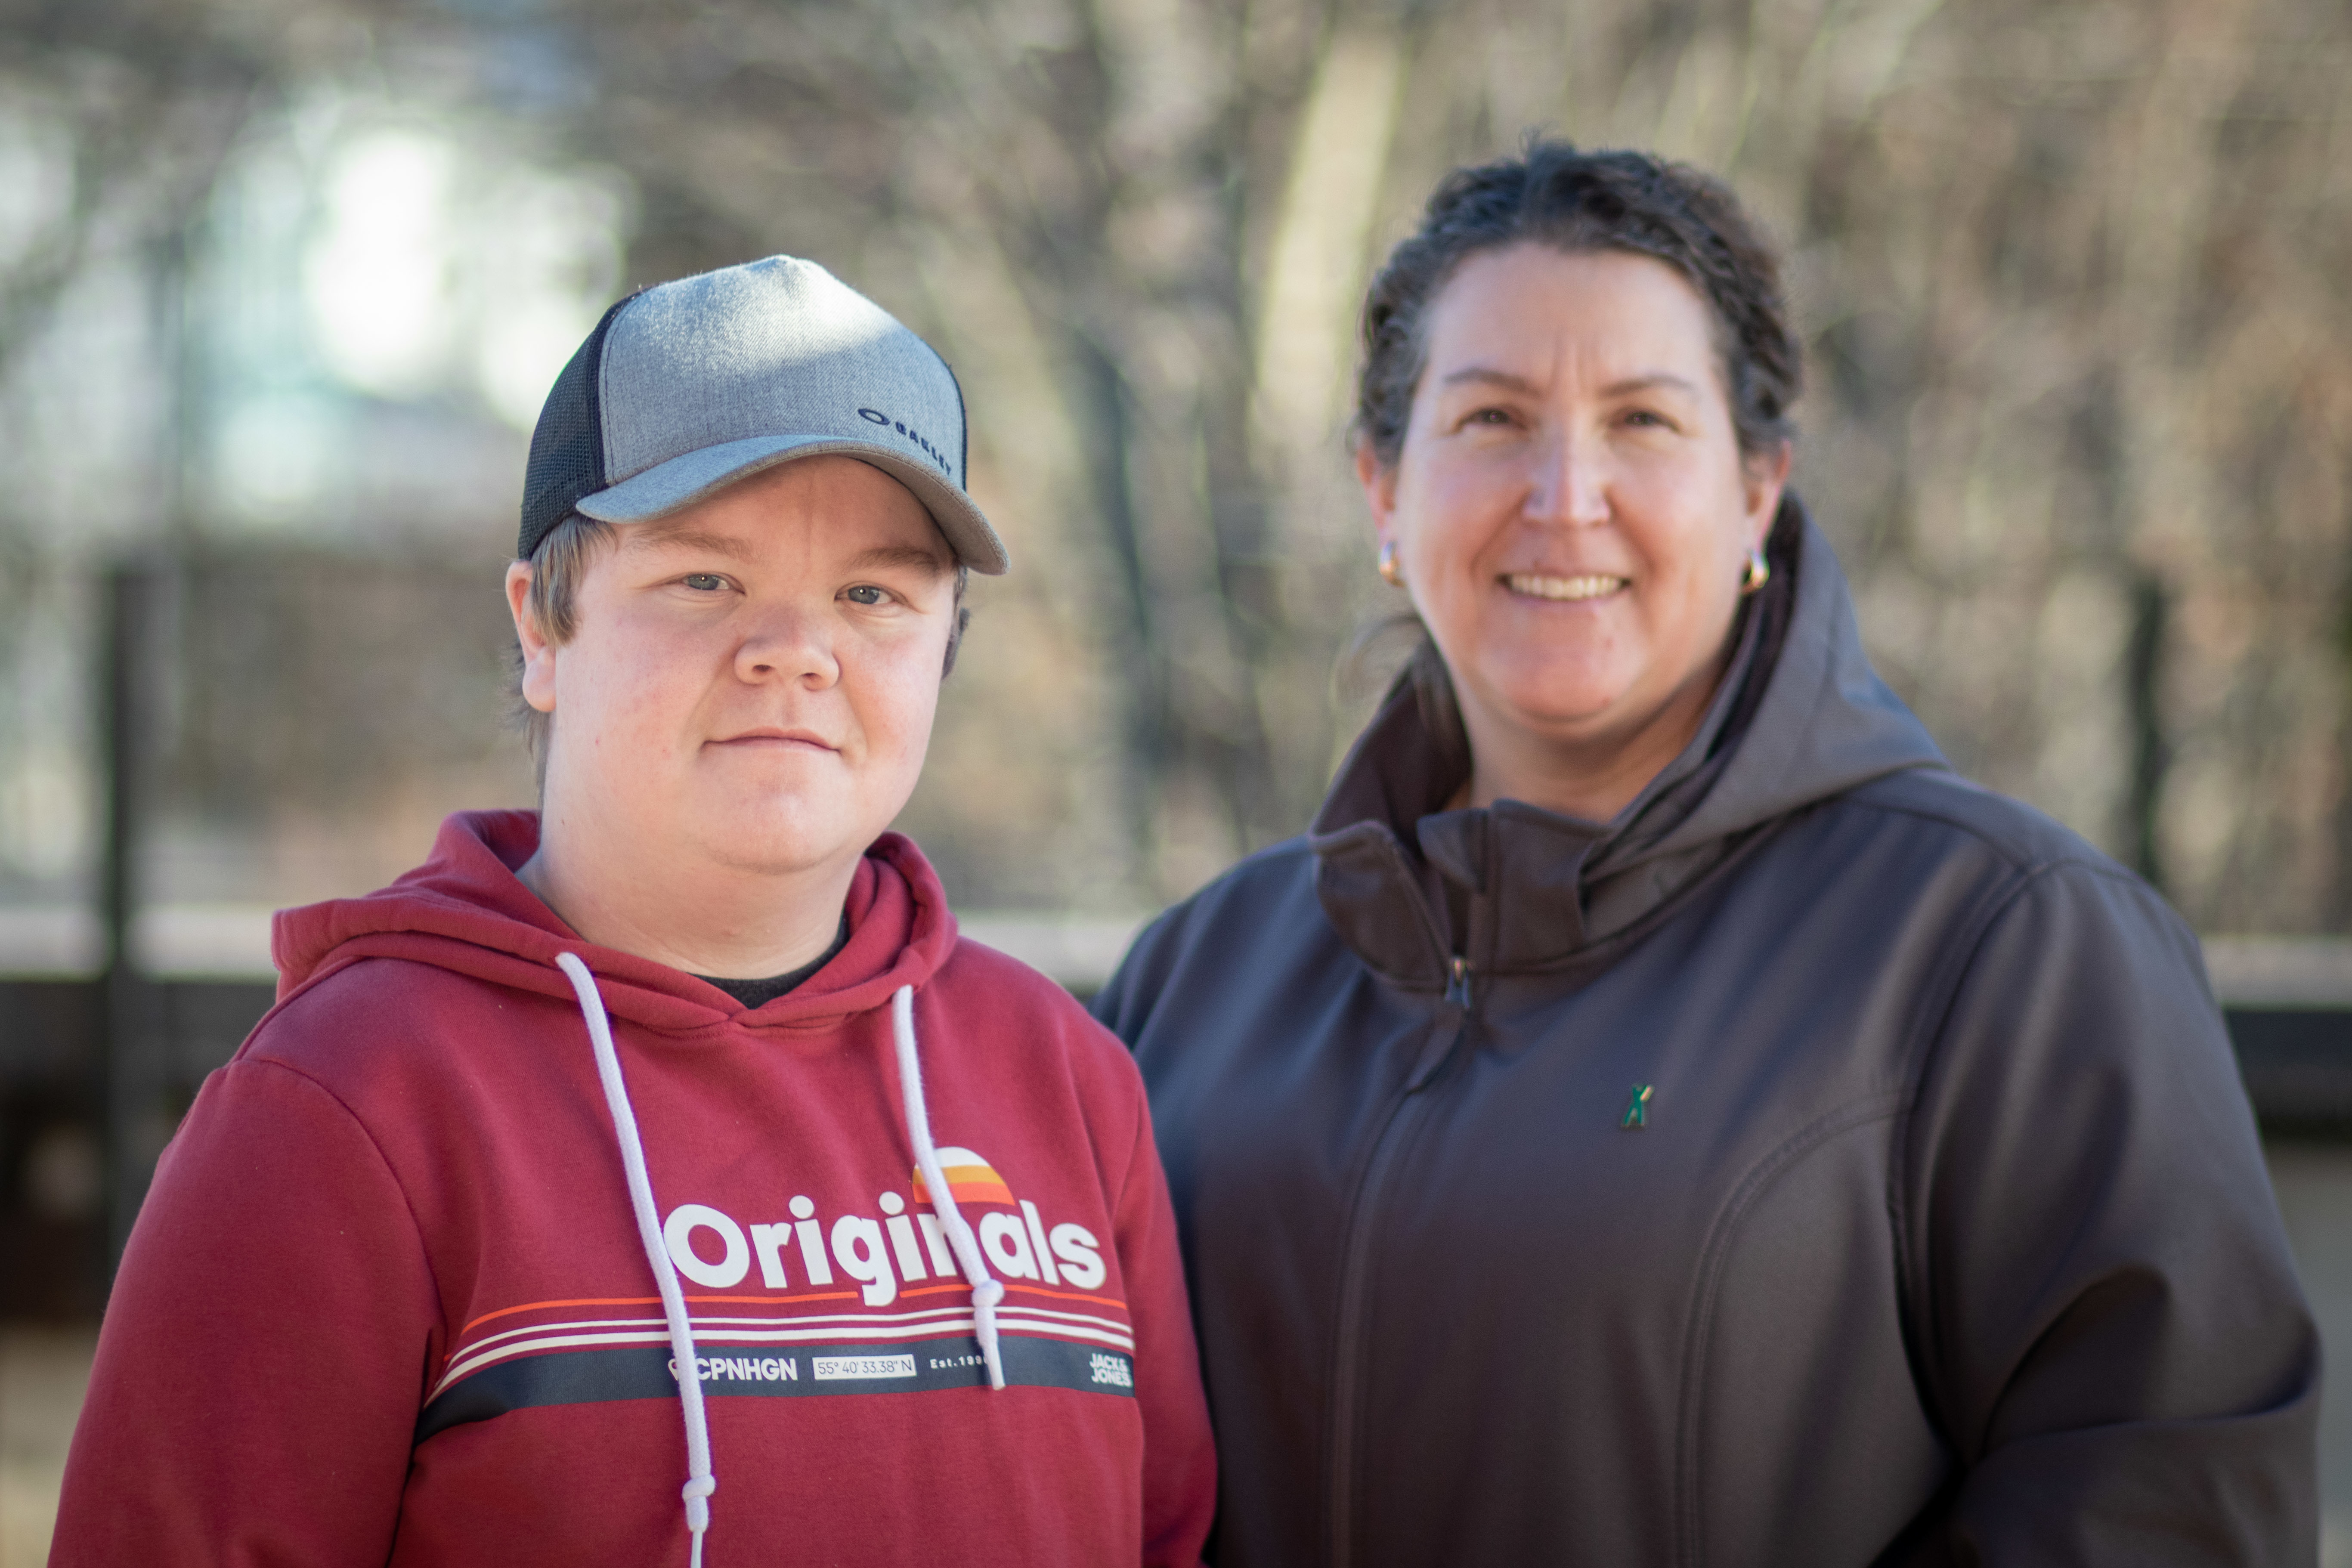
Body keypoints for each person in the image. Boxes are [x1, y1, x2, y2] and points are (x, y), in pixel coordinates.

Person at [1092, 142, 2317, 1566]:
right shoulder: (1199, 975)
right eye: (1490, 417)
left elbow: (2169, 1509)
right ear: (1381, 487)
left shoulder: (2006, 946)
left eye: (1642, 421)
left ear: (1758, 490)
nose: (1564, 495)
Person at [53, 257, 1214, 1567]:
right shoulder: (343, 1109)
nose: (797, 647)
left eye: (874, 593)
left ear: (946, 641)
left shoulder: (1066, 1079)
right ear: (541, 629)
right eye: (703, 579)